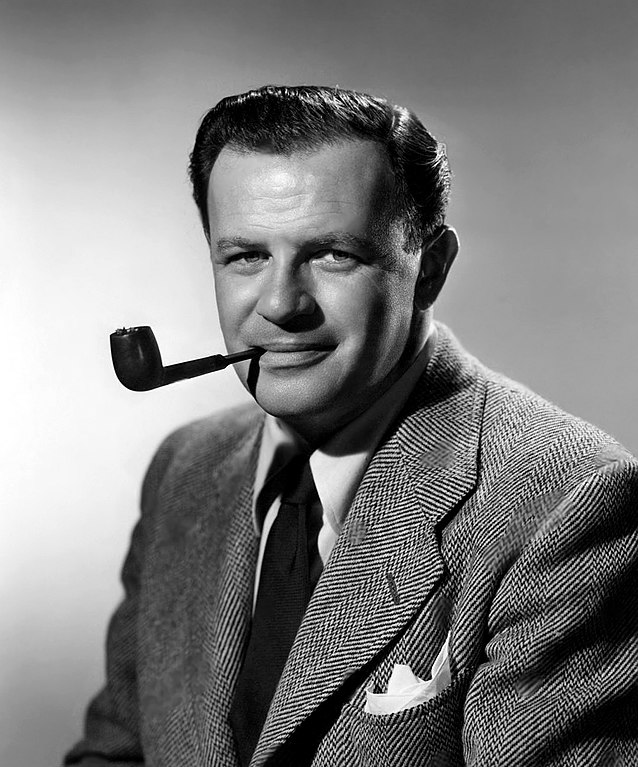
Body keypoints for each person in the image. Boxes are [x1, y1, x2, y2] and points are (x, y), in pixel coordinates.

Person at [65, 85, 638, 767]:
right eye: (246, 256)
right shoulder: (185, 467)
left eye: (332, 254)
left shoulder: (567, 501)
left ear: (430, 270)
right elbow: (116, 752)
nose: (280, 305)